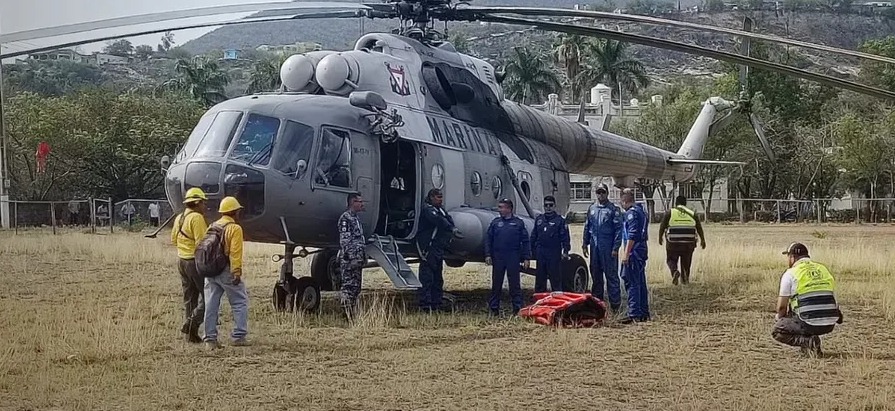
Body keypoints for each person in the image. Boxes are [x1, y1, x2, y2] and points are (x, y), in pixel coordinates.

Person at [772, 242, 843, 357]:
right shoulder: (823, 269)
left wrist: (780, 319)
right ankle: (810, 344)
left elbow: (781, 307)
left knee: (777, 331)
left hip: (807, 321)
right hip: (830, 323)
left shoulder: (790, 274)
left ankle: (807, 342)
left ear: (792, 257)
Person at [203, 196, 249, 349]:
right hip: (225, 269)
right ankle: (239, 336)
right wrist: (236, 272)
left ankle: (210, 339)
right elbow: (235, 252)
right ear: (235, 212)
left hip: (210, 270)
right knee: (239, 301)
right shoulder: (234, 228)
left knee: (211, 304)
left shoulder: (212, 226)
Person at [170, 187, 208, 343]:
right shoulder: (197, 218)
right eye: (203, 203)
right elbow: (202, 243)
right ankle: (191, 323)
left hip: (181, 261)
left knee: (189, 298)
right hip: (194, 262)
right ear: (197, 202)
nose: (204, 206)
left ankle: (191, 335)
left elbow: (173, 239)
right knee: (208, 298)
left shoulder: (179, 218)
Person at [415, 188, 463, 312]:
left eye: (441, 197)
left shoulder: (440, 210)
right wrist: (451, 229)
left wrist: (451, 227)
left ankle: (436, 303)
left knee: (437, 278)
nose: (440, 199)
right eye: (438, 197)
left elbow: (448, 219)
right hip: (429, 248)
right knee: (427, 278)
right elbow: (439, 221)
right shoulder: (428, 210)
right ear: (431, 197)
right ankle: (425, 305)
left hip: (438, 248)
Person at [484, 198, 531, 316]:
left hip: (513, 257)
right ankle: (494, 308)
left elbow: (525, 241)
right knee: (496, 284)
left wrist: (526, 257)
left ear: (509, 209)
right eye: (499, 207)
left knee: (514, 284)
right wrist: (488, 254)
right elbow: (488, 240)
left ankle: (517, 308)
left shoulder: (518, 223)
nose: (499, 210)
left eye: (502, 207)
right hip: (498, 257)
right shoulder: (495, 223)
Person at [582, 183, 623, 311]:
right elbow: (587, 227)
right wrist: (585, 243)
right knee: (596, 275)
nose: (601, 195)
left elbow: (618, 230)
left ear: (607, 193)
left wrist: (616, 247)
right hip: (595, 247)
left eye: (603, 192)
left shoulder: (613, 210)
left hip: (608, 247)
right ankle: (597, 305)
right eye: (598, 192)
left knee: (611, 276)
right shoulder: (592, 209)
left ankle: (615, 306)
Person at [658, 195, 706, 285]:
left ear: (676, 203)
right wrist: (703, 240)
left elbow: (662, 226)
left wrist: (660, 237)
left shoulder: (670, 212)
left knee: (671, 260)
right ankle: (685, 280)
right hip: (689, 243)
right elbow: (699, 227)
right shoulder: (692, 213)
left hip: (673, 243)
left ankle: (674, 271)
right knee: (686, 262)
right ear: (685, 203)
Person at [620, 188, 650, 324]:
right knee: (640, 282)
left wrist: (626, 253)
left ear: (625, 201)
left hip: (634, 250)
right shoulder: (641, 211)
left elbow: (631, 235)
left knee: (631, 281)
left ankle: (634, 313)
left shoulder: (631, 213)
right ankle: (644, 312)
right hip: (642, 248)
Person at [530, 195, 570, 292]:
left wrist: (566, 251)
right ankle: (540, 301)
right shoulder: (539, 219)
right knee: (540, 278)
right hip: (541, 252)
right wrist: (532, 250)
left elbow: (565, 237)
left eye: (550, 205)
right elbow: (533, 236)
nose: (548, 207)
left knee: (555, 278)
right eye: (546, 205)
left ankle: (557, 301)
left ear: (554, 206)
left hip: (553, 252)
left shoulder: (560, 220)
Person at [339, 192, 367, 321]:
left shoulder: (356, 219)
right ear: (352, 203)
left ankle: (352, 311)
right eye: (359, 201)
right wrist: (351, 258)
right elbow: (345, 241)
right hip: (350, 260)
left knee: (356, 287)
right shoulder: (346, 219)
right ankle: (346, 313)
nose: (362, 204)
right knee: (348, 286)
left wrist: (361, 257)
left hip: (358, 258)